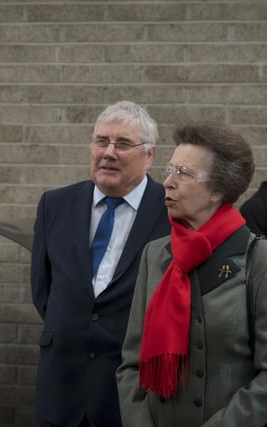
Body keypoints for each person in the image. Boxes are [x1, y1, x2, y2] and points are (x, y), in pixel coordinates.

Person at [117, 121, 267, 427]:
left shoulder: (265, 260)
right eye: (169, 171)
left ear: (218, 190)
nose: (168, 183)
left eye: (183, 173)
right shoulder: (155, 254)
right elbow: (131, 364)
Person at [31, 100, 171, 427]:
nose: (108, 152)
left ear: (149, 155)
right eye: (101, 141)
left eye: (123, 144)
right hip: (60, 391)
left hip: (131, 398)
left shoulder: (171, 212)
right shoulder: (55, 204)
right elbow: (44, 290)